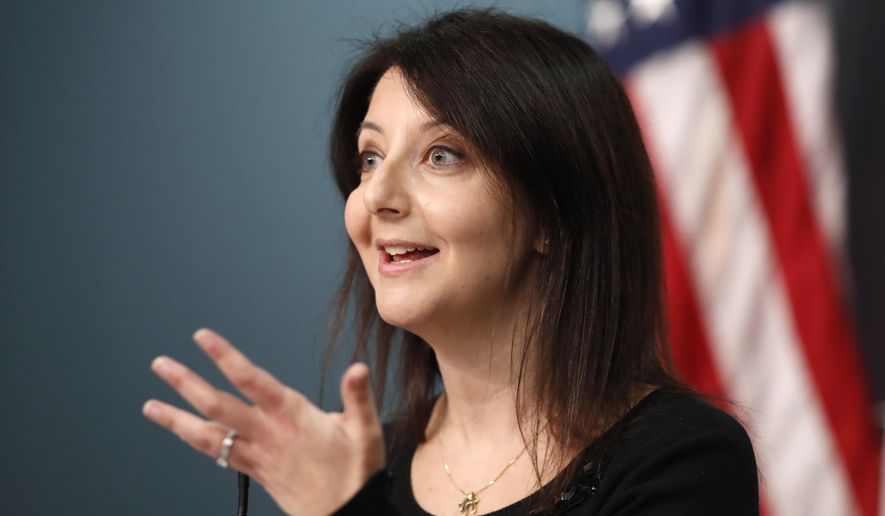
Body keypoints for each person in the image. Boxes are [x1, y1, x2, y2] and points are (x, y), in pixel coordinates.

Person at [142, 8, 759, 515]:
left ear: (553, 213)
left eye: (441, 155)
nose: (375, 197)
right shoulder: (366, 462)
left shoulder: (683, 458)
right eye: (370, 157)